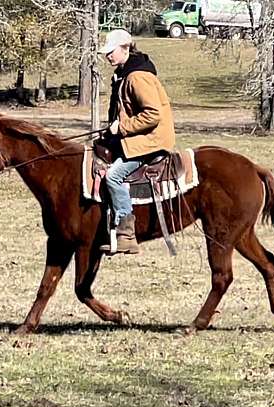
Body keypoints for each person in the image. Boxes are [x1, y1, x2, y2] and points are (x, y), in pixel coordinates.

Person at [98, 29, 176, 255]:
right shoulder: (126, 73)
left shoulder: (137, 77)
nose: (108, 56)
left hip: (151, 141)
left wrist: (120, 127)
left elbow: (152, 115)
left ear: (125, 48)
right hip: (139, 137)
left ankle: (126, 235)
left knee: (113, 176)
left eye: (111, 52)